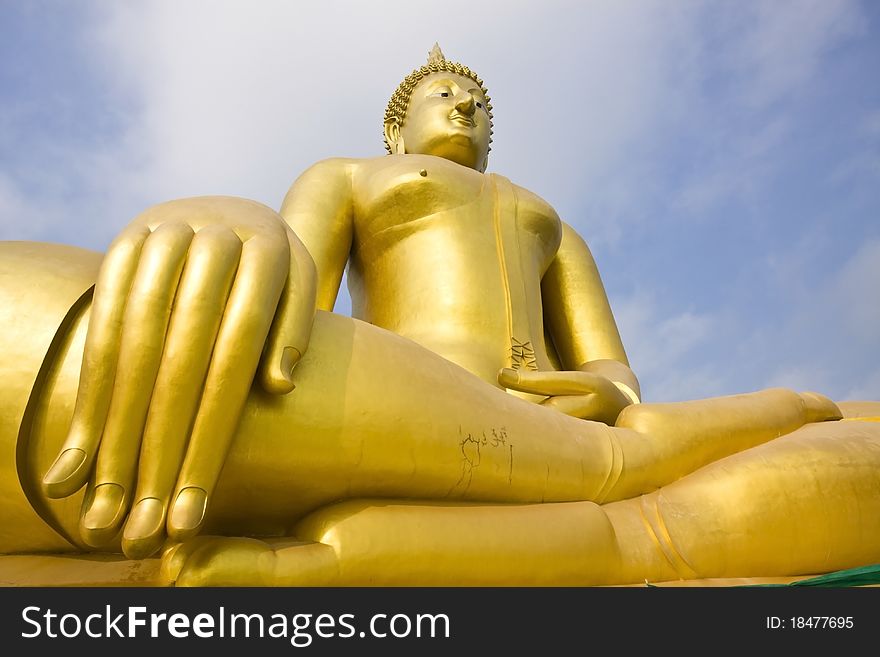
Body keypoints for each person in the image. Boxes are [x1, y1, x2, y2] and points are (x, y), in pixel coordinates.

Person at [1, 46, 878, 586]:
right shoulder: (348, 176)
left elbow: (613, 366)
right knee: (72, 337)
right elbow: (289, 311)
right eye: (443, 94)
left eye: (477, 101)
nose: (462, 104)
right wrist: (234, 224)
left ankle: (618, 491)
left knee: (855, 438)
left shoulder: (551, 222)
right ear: (397, 130)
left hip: (546, 427)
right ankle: (622, 491)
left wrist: (598, 391)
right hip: (391, 410)